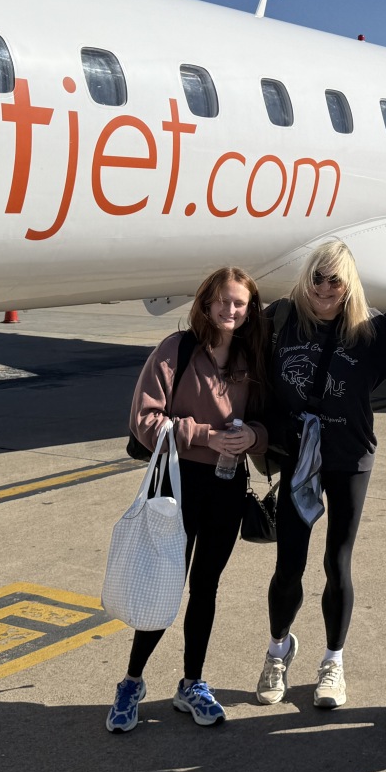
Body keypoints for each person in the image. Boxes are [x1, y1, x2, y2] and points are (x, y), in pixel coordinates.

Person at [106, 267, 270, 733]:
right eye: (222, 301)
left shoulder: (252, 358)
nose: (230, 310)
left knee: (206, 588)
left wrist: (252, 437)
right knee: (164, 583)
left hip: (227, 484)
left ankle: (192, 682)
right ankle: (131, 682)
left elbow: (268, 422)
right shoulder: (176, 350)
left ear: (249, 310)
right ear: (206, 303)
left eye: (239, 303)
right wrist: (205, 436)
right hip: (178, 484)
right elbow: (144, 420)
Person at [254, 240, 386, 710]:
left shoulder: (370, 331)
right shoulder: (281, 319)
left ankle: (333, 661)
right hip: (298, 456)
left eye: (335, 279)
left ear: (348, 282)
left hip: (349, 457)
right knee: (288, 564)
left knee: (338, 561)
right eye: (317, 277)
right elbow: (235, 355)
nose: (324, 287)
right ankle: (278, 650)